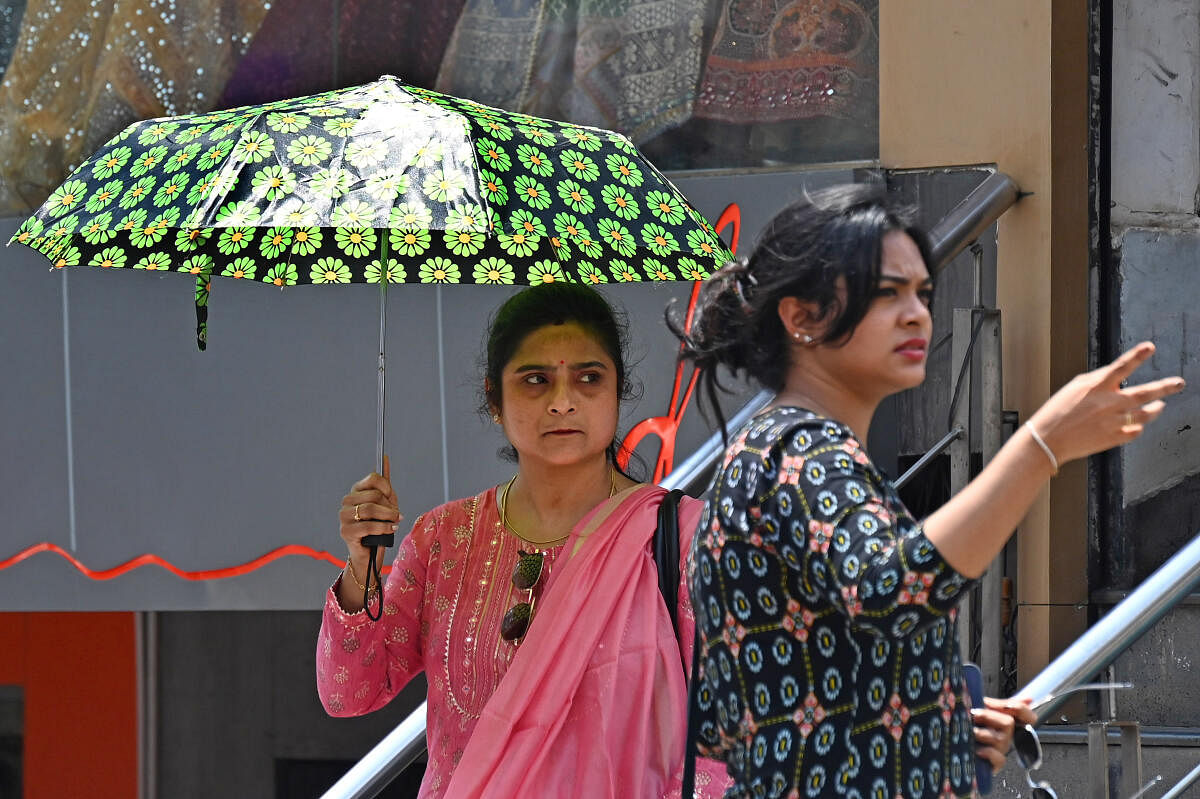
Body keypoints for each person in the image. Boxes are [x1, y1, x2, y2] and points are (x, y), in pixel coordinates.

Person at [673, 184, 1185, 798]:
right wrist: (1040, 446)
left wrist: (935, 723)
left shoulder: (778, 447)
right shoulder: (801, 451)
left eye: (922, 292)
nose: (917, 313)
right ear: (801, 317)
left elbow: (735, 717)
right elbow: (896, 590)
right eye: (886, 293)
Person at [316, 283, 732, 798]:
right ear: (495, 398)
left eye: (588, 378)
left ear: (617, 391)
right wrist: (361, 565)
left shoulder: (683, 540)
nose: (563, 402)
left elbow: (724, 743)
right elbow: (348, 692)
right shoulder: (444, 539)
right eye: (536, 380)